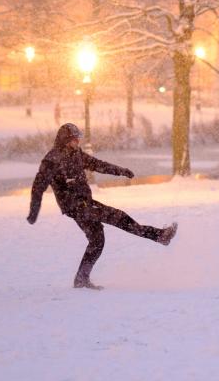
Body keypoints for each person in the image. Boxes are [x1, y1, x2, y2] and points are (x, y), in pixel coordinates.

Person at [26, 123, 178, 290]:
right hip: (74, 205)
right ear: (65, 139)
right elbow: (38, 185)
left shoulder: (76, 154)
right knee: (119, 217)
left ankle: (81, 280)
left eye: (78, 138)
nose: (78, 141)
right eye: (75, 139)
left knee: (97, 240)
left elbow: (98, 164)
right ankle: (160, 236)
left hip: (85, 202)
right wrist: (34, 210)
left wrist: (121, 171)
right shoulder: (52, 159)